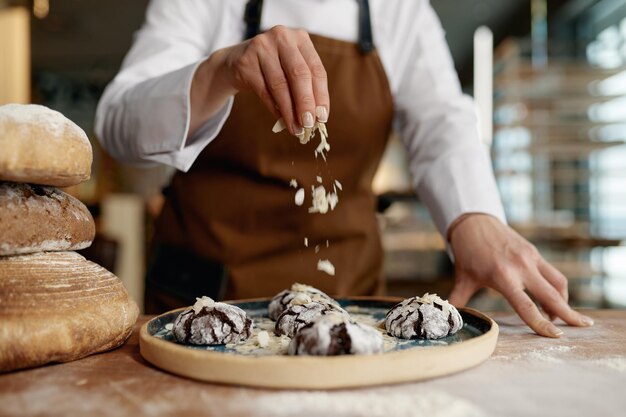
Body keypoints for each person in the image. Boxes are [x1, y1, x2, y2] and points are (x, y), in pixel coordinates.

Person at [95, 0, 593, 337]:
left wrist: (475, 217)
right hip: (205, 307)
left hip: (350, 309)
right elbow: (118, 123)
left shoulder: (398, 9)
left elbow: (442, 119)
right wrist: (219, 71)